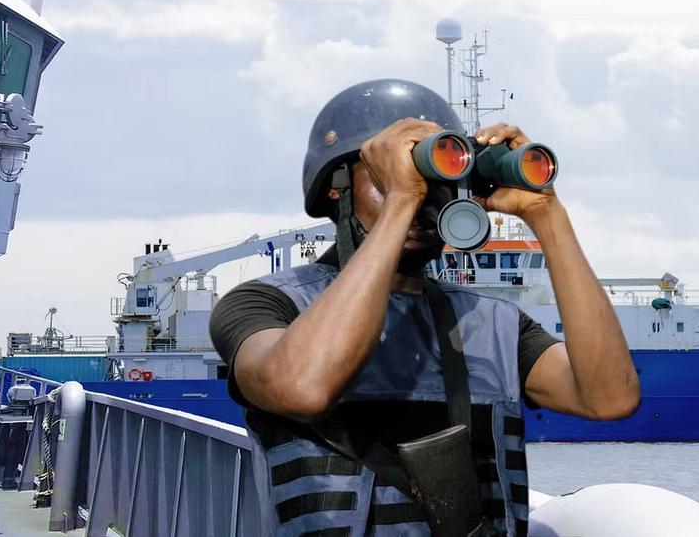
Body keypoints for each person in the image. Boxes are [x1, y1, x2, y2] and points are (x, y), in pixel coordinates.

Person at [209, 79, 640, 536]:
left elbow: (609, 398)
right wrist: (403, 199)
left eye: (436, 183)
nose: (422, 199)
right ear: (336, 189)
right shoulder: (267, 304)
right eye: (388, 179)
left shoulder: (493, 323)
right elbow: (303, 386)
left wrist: (547, 215)